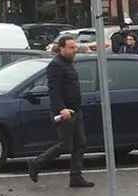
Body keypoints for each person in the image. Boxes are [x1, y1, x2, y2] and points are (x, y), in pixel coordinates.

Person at [28, 36, 93, 187]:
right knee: (65, 145)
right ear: (61, 48)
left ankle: (76, 177)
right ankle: (35, 163)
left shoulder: (68, 64)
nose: (74, 50)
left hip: (75, 110)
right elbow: (54, 90)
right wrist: (61, 108)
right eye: (71, 47)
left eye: (75, 47)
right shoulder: (56, 65)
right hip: (64, 112)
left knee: (80, 144)